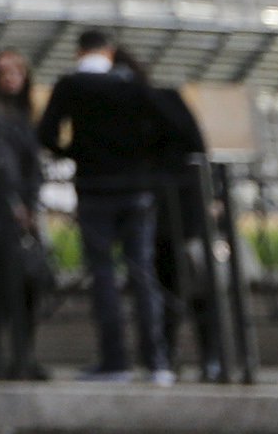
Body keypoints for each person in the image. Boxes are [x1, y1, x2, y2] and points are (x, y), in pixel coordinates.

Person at [37, 27, 174, 383]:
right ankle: (157, 361)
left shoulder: (70, 86)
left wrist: (74, 153)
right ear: (109, 51)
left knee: (103, 277)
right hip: (136, 190)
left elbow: (46, 134)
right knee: (143, 274)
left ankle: (115, 361)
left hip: (95, 190)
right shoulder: (132, 85)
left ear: (79, 52)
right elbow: (164, 126)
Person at [121, 49, 226, 381]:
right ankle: (163, 354)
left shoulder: (162, 100)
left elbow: (196, 146)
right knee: (164, 285)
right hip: (150, 213)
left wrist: (213, 197)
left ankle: (210, 356)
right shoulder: (116, 114)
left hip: (183, 210)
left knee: (195, 284)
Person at [0, 49, 51, 381]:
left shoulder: (28, 115)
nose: (10, 78)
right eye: (3, 72)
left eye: (16, 72)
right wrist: (14, 203)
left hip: (25, 213)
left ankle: (21, 355)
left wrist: (30, 203)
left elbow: (35, 164)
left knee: (29, 286)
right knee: (1, 288)